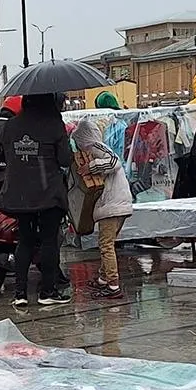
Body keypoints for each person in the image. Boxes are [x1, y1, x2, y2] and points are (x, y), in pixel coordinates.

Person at [0, 91, 72, 308]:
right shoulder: (54, 124)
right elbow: (65, 159)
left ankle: (20, 294)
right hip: (48, 193)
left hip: (20, 194)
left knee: (25, 240)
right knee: (49, 241)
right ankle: (48, 291)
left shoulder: (10, 125)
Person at [70, 123, 133, 297]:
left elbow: (114, 162)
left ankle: (113, 285)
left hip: (112, 204)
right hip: (116, 204)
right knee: (107, 243)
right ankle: (104, 278)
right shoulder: (96, 148)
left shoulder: (96, 147)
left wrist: (90, 167)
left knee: (106, 245)